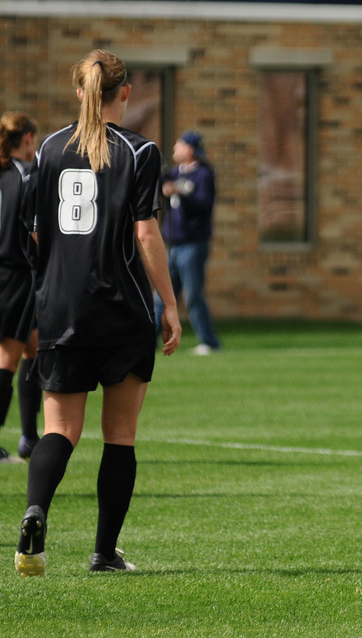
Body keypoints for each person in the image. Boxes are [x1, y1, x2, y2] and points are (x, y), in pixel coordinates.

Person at [14, 49, 181, 577]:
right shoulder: (141, 151)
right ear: (124, 93)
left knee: (58, 429)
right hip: (121, 310)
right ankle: (104, 553)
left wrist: (48, 288)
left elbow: (35, 232)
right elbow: (146, 232)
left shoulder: (47, 148)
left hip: (61, 307)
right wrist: (171, 304)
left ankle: (35, 514)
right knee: (120, 435)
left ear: (79, 92)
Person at [154, 130, 220, 356]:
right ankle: (147, 341)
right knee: (161, 296)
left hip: (193, 243)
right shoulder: (172, 173)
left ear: (189, 150)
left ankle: (208, 342)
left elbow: (203, 205)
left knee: (192, 293)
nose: (175, 149)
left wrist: (180, 192)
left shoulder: (203, 175)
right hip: (171, 243)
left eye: (179, 146)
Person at [0, 112, 39, 462]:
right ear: (27, 138)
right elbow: (36, 229)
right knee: (7, 359)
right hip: (15, 274)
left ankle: (29, 437)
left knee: (33, 347)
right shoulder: (26, 175)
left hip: (12, 275)